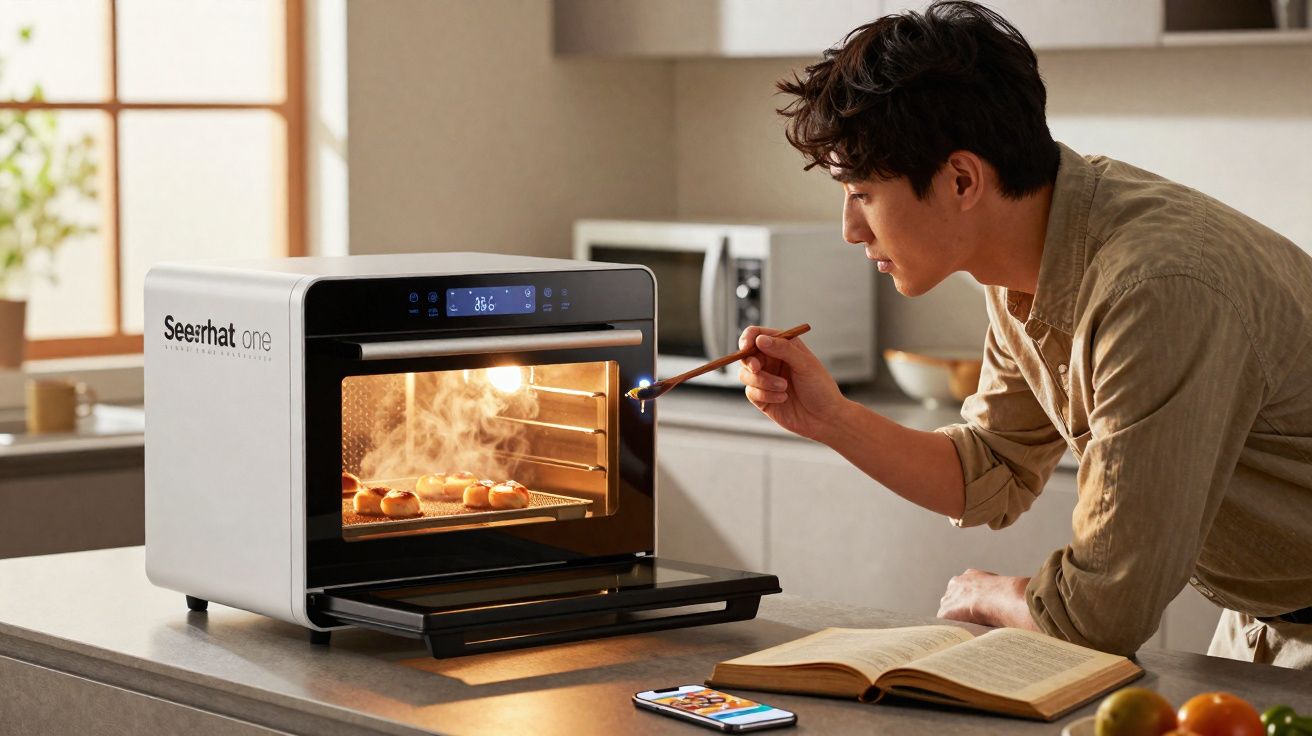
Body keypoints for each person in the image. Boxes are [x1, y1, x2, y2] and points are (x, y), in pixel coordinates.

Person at [738, 0, 1312, 668]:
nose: (850, 229)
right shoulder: (1029, 260)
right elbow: (992, 470)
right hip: (1260, 622)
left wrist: (998, 595)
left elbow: (1103, 614)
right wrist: (829, 417)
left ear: (961, 179)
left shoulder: (1152, 291)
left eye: (863, 193)